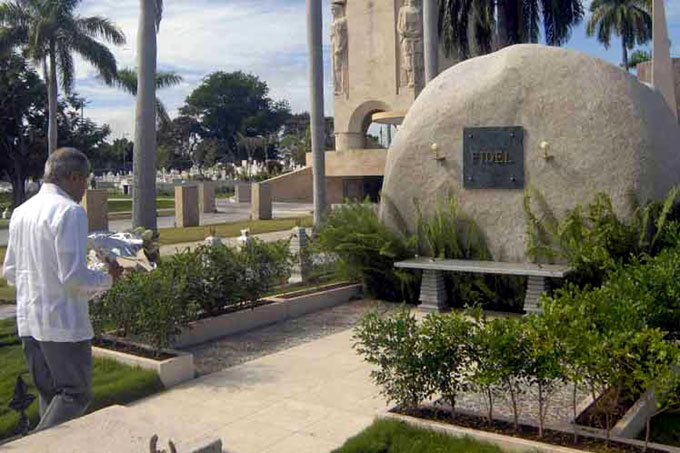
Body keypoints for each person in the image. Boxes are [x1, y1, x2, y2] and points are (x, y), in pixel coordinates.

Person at [2, 148, 122, 432]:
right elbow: (73, 278)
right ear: (74, 177)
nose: (85, 188)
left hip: (30, 321)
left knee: (52, 395)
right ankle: (37, 447)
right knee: (74, 394)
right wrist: (109, 277)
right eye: (85, 181)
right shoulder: (69, 212)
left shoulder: (22, 212)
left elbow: (10, 271)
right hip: (62, 324)